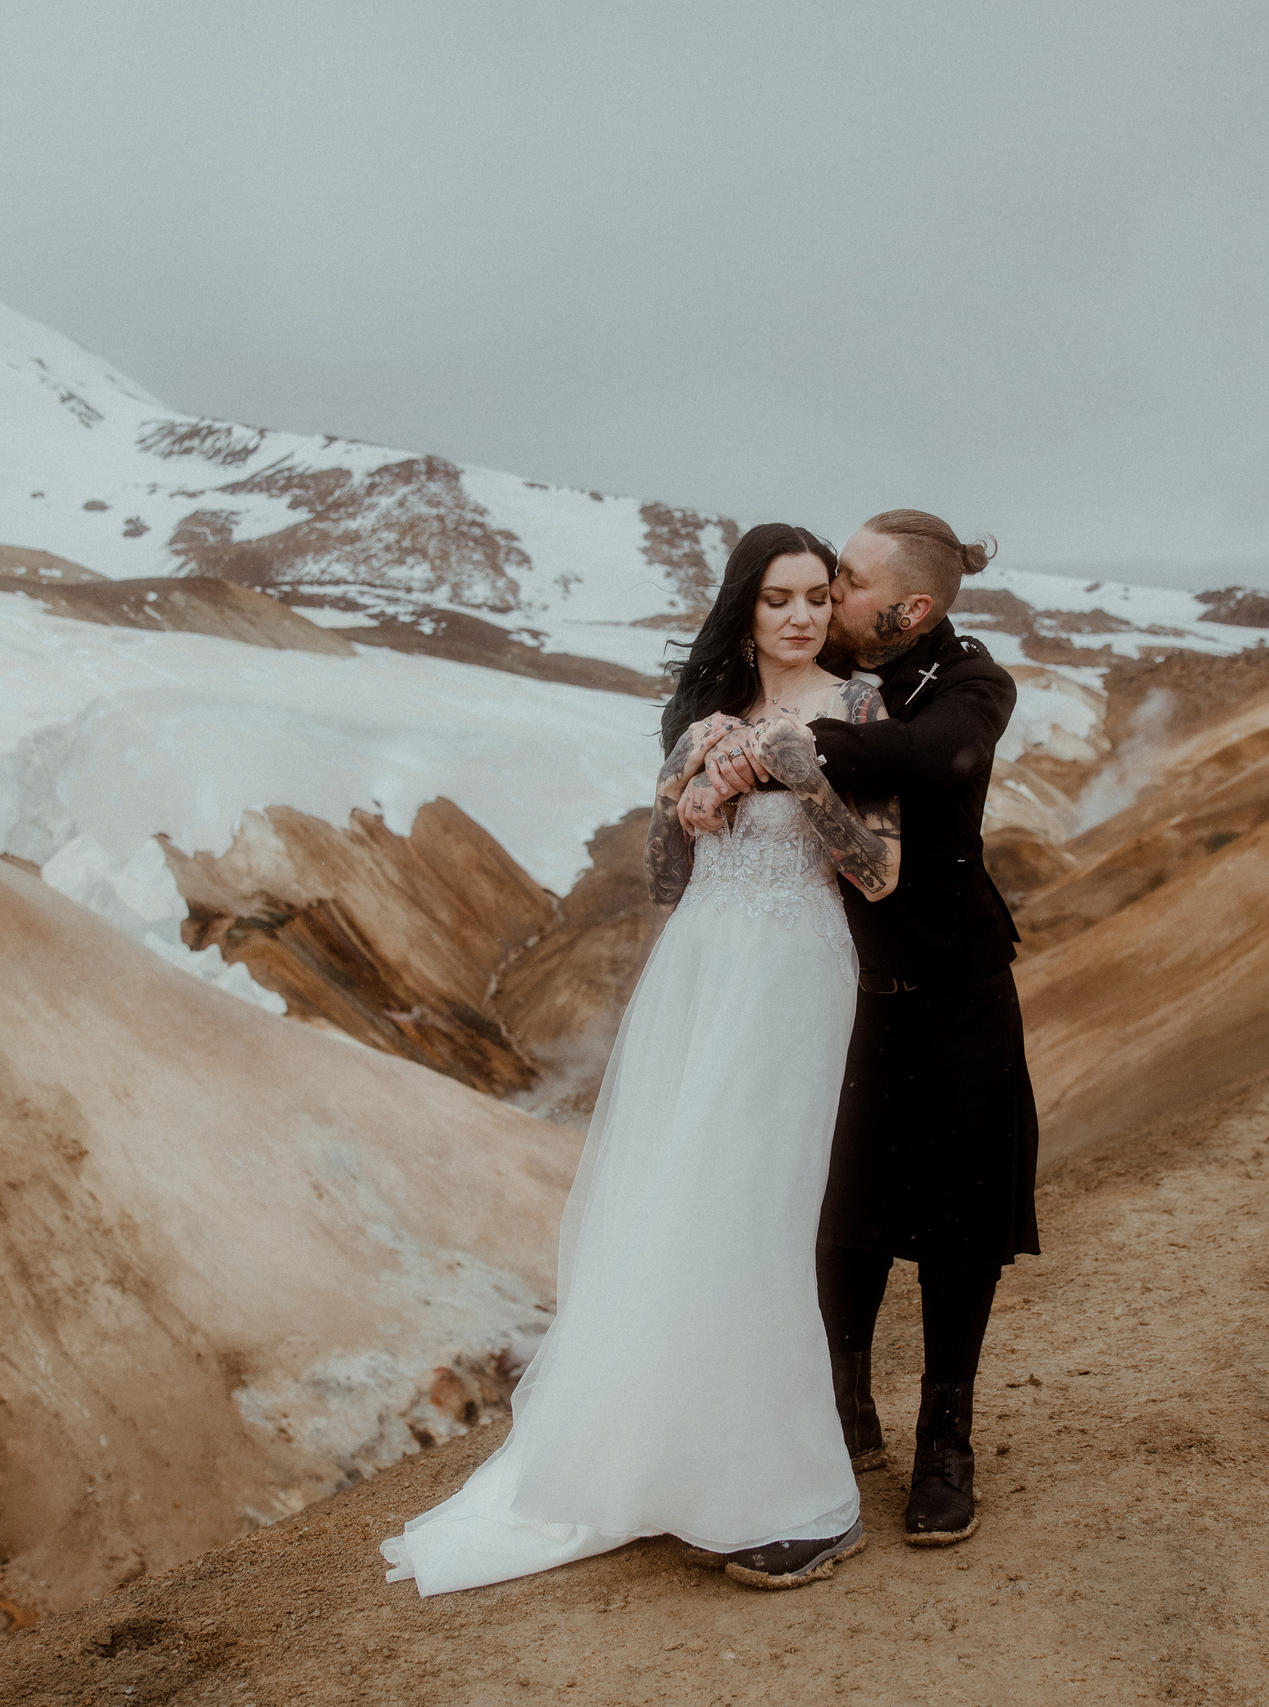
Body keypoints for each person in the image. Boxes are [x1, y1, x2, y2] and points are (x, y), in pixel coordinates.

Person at [380, 523, 904, 1596]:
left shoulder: (860, 711)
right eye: (778, 599)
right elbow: (669, 875)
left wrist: (805, 776)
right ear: (744, 611)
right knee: (682, 1205)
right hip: (699, 968)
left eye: (816, 596)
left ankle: (783, 1489)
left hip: (794, 974)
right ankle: (676, 1461)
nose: (802, 616)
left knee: (758, 1211)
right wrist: (680, 773)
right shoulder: (711, 713)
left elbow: (880, 871)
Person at [694, 508, 1036, 1550]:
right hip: (842, 990)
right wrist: (722, 751)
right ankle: (845, 1409)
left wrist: (788, 747)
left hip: (957, 988)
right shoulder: (835, 669)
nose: (828, 596)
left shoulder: (974, 685)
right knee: (840, 1201)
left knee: (962, 1224)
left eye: (846, 581)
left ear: (911, 607)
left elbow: (927, 758)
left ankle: (946, 1440)